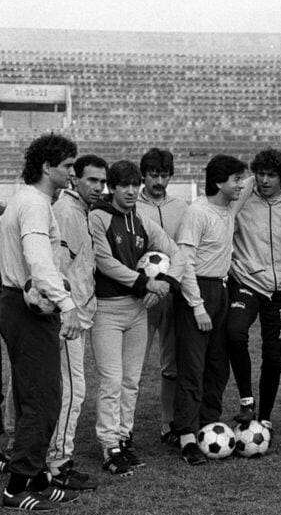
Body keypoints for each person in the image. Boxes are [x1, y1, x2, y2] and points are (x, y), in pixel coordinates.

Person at [0, 133, 82, 511]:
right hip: (27, 308)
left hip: (18, 303)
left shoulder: (26, 200)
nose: (72, 172)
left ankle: (36, 478)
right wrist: (67, 304)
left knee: (33, 394)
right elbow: (37, 259)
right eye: (67, 165)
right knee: (43, 398)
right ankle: (17, 487)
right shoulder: (33, 204)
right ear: (47, 167)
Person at [88, 160, 184, 476]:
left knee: (131, 380)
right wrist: (145, 283)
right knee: (112, 380)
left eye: (134, 185)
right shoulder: (98, 216)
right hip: (107, 310)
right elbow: (104, 262)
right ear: (112, 187)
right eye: (124, 185)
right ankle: (109, 445)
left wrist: (166, 282)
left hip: (137, 310)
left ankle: (123, 437)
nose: (130, 191)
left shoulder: (140, 218)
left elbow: (175, 252)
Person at [173, 155, 247, 465]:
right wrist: (197, 306)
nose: (241, 185)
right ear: (219, 182)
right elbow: (184, 261)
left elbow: (254, 183)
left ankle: (208, 423)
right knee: (193, 366)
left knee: (218, 364)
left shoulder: (229, 207)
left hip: (222, 290)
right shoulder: (197, 212)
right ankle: (187, 437)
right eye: (235, 180)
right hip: (197, 291)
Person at [45, 154, 107, 492]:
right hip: (68, 318)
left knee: (54, 387)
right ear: (75, 179)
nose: (98, 187)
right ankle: (58, 462)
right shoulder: (68, 213)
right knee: (71, 390)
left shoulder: (79, 211)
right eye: (91, 180)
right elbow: (58, 269)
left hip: (72, 313)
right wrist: (67, 310)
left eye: (102, 182)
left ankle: (21, 448)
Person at [226, 149, 281, 430]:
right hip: (247, 281)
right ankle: (247, 401)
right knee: (234, 332)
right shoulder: (242, 198)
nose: (264, 180)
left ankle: (265, 417)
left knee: (274, 356)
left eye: (271, 175)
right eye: (260, 174)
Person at [137, 148, 188, 446]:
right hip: (141, 297)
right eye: (153, 175)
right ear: (143, 175)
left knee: (172, 363)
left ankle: (168, 423)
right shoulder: (132, 206)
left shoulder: (181, 207)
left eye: (164, 175)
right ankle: (123, 429)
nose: (158, 181)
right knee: (133, 364)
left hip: (172, 295)